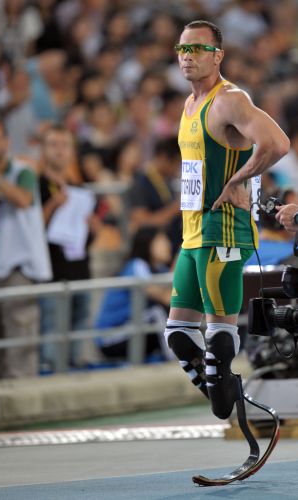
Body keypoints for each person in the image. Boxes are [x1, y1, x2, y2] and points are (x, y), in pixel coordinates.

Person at [164, 20, 290, 420]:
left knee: (219, 327)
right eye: (182, 49)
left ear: (218, 55)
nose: (188, 57)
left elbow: (278, 142)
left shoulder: (229, 100)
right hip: (193, 231)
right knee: (178, 334)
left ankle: (227, 395)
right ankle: (226, 392)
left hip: (223, 230)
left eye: (197, 49)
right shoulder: (188, 104)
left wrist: (241, 178)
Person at [0, 116, 52, 379]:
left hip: (18, 271)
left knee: (18, 349)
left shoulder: (22, 171)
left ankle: (23, 403)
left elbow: (22, 199)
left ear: (6, 141)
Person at [39, 124, 96, 370]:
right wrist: (52, 206)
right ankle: (50, 367)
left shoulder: (80, 190)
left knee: (80, 320)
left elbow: (87, 237)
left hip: (79, 267)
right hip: (50, 268)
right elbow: (31, 230)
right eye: (53, 145)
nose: (60, 151)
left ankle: (78, 364)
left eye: (64, 145)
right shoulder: (37, 186)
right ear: (43, 150)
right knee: (51, 323)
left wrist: (94, 228)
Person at [94, 226, 172, 362]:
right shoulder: (136, 265)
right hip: (111, 337)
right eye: (162, 240)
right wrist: (186, 255)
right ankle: (176, 361)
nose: (168, 245)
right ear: (148, 243)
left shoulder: (160, 269)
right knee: (158, 313)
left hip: (133, 330)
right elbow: (167, 298)